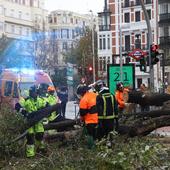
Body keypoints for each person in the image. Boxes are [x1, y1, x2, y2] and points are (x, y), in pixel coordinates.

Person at [19, 85, 47, 158]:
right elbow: (17, 106)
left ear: (36, 92)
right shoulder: (26, 101)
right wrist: (23, 111)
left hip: (38, 121)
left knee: (40, 135)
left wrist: (48, 108)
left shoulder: (40, 100)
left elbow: (47, 105)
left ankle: (40, 149)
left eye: (33, 92)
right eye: (30, 92)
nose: (31, 93)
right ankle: (30, 154)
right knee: (30, 137)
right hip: (29, 122)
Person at [77, 84, 98, 149]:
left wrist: (82, 120)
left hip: (90, 120)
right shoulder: (95, 95)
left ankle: (91, 149)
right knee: (98, 134)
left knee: (90, 135)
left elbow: (82, 113)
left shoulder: (83, 100)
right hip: (100, 118)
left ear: (81, 93)